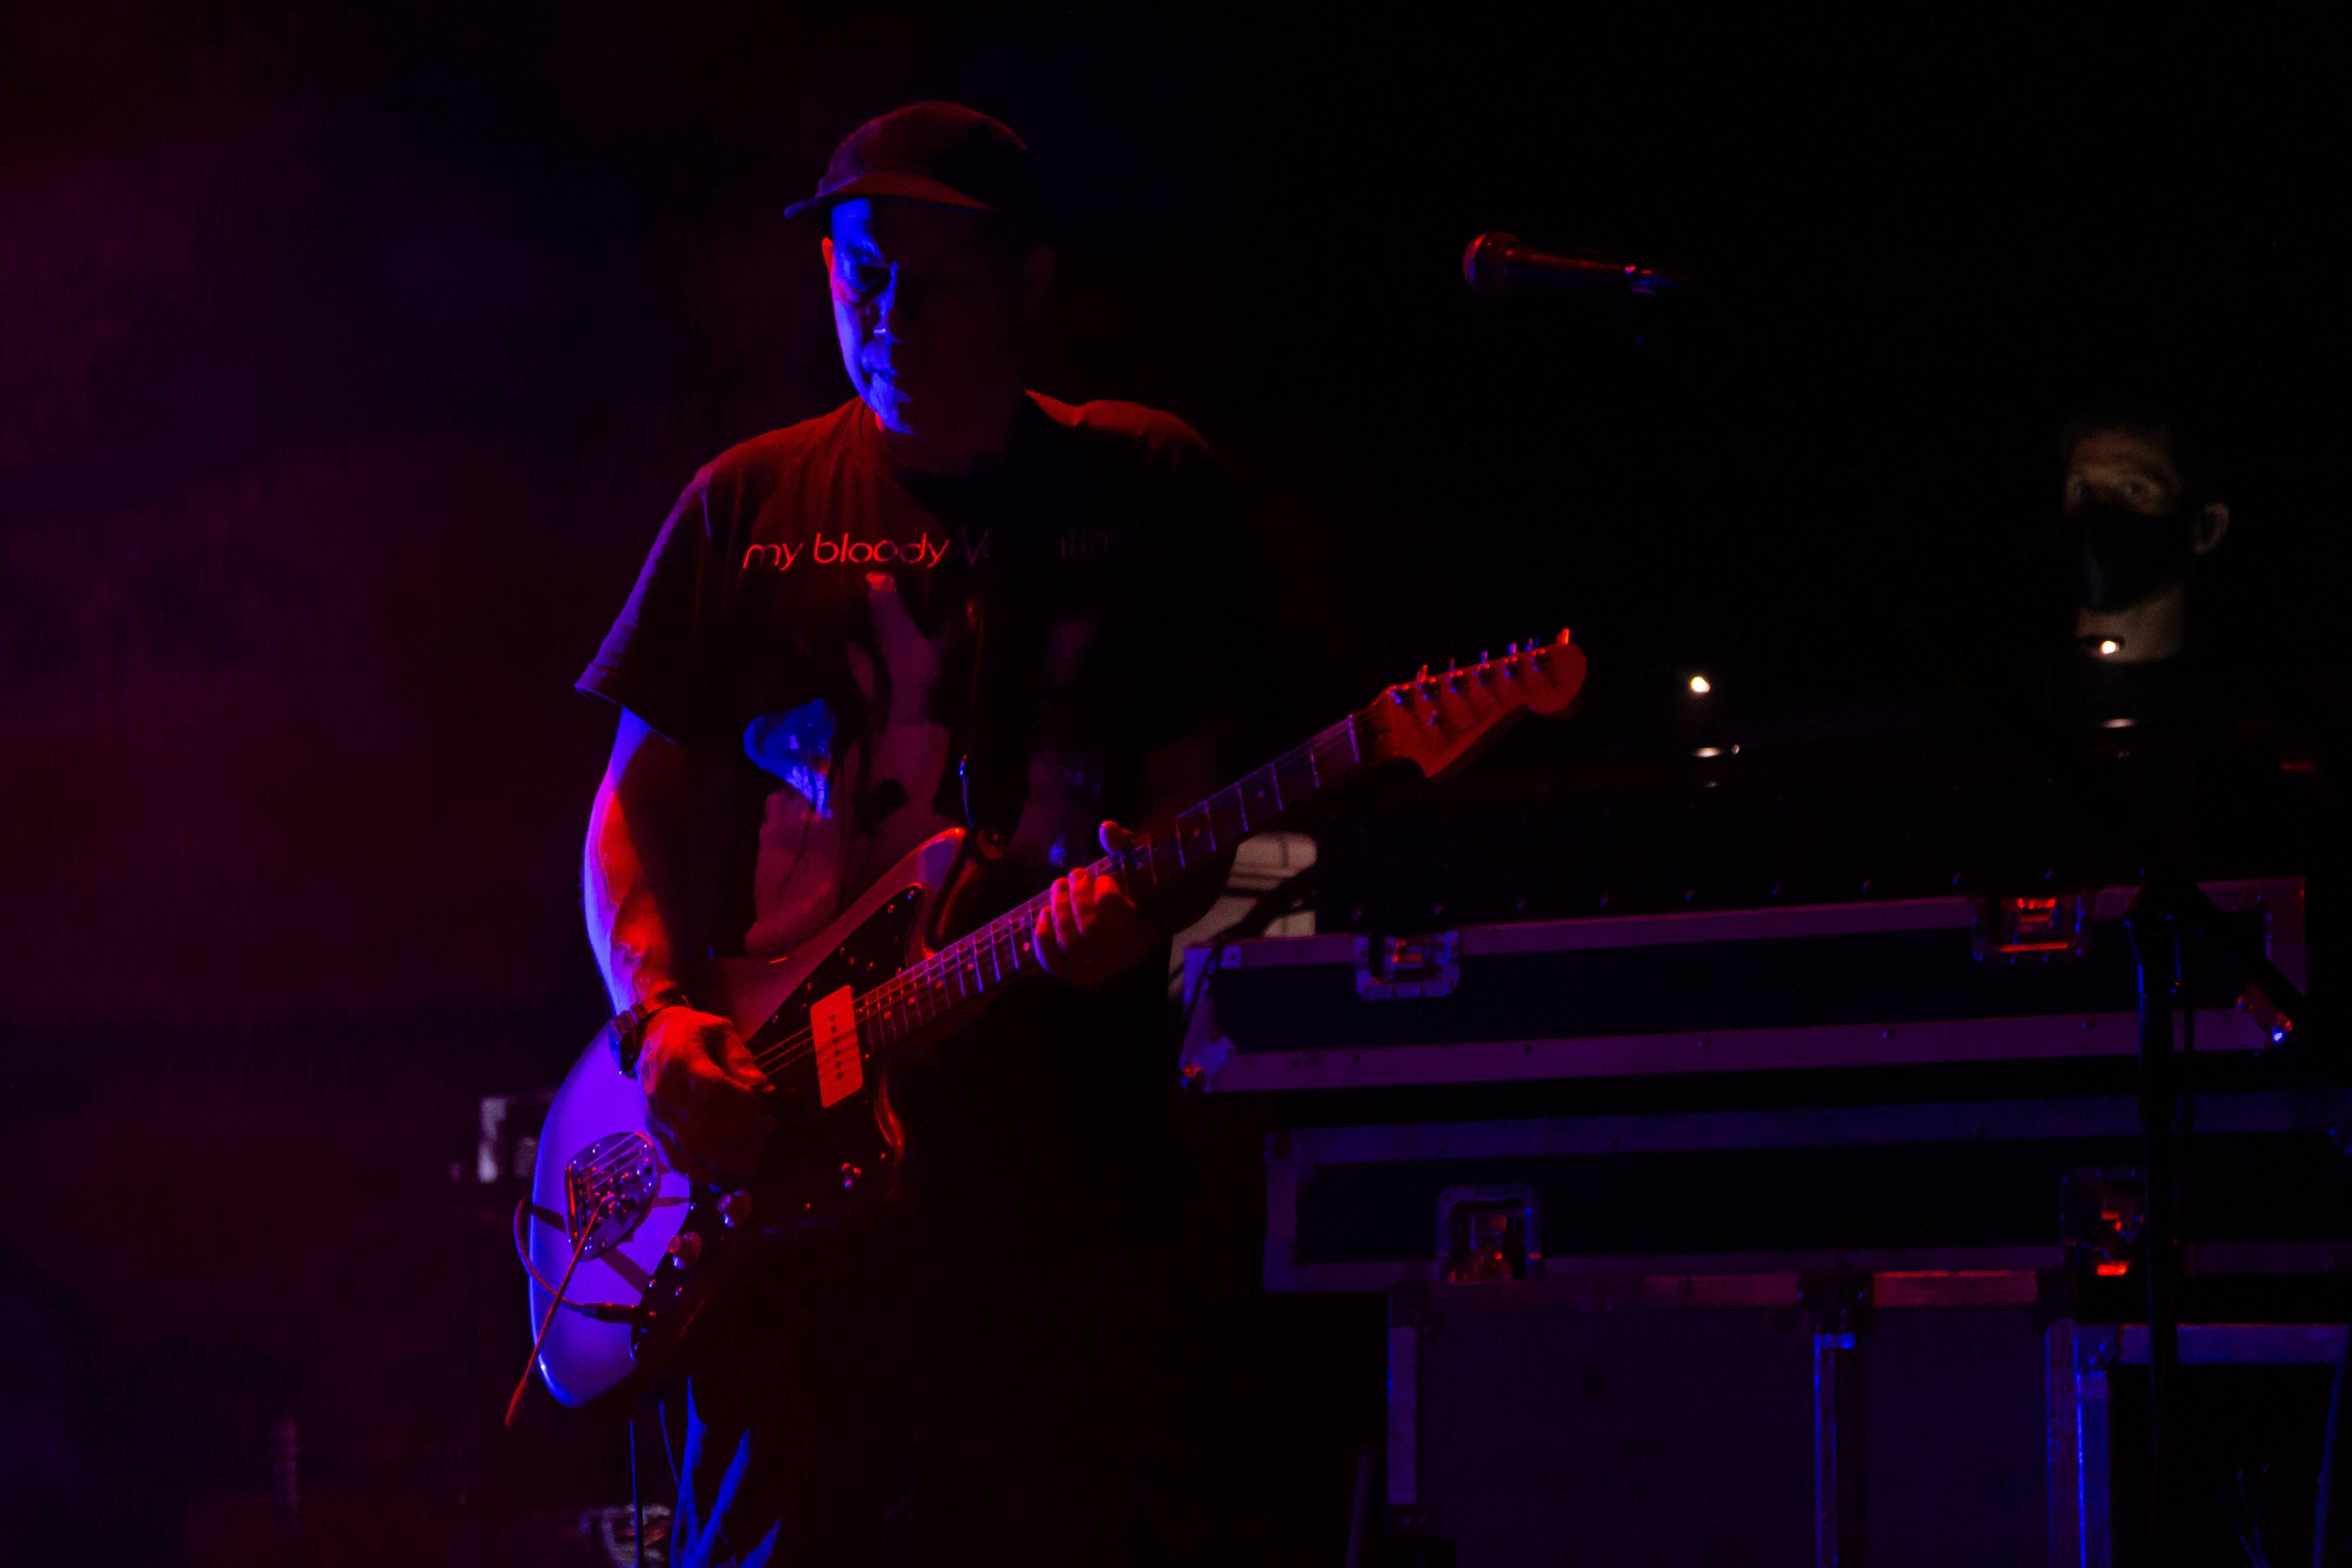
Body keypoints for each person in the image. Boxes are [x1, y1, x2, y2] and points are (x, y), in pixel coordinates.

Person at [575, 102, 1265, 1566]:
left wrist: (1145, 902)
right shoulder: (745, 503)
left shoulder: (1143, 489)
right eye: (860, 275)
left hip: (1052, 1174)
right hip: (782, 1158)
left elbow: (1193, 800)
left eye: (935, 283)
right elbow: (632, 805)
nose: (887, 317)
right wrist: (657, 1016)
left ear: (1027, 282)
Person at [2046, 403, 2233, 728]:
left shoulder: (2233, 717)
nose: (2096, 512)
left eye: (2133, 489)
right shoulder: (2003, 702)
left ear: (2206, 527)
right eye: (2082, 489)